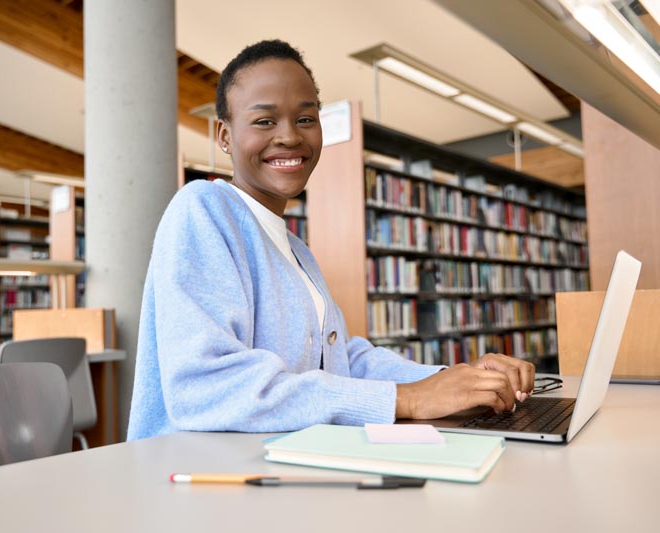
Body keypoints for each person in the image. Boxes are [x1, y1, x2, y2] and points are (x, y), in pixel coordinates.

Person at [127, 39, 534, 441]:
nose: (289, 136)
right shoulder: (203, 209)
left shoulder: (295, 249)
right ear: (225, 136)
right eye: (265, 121)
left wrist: (457, 381)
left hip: (273, 463)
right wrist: (406, 399)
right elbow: (205, 386)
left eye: (305, 119)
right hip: (195, 475)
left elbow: (343, 362)